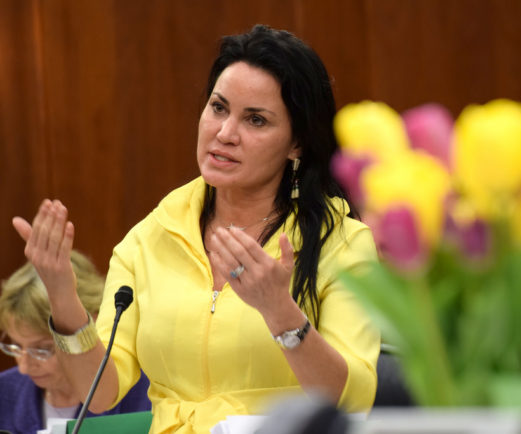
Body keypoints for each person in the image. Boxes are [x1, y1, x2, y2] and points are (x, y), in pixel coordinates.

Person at [12, 25, 380, 433]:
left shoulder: (342, 244)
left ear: (297, 144)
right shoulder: (151, 236)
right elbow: (100, 392)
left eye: (255, 120)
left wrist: (280, 313)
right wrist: (61, 293)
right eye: (218, 108)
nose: (224, 133)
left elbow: (352, 400)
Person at [0, 251, 151, 433]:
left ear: (90, 325)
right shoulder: (4, 391)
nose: (24, 367)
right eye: (16, 347)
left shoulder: (146, 394)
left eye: (42, 350)